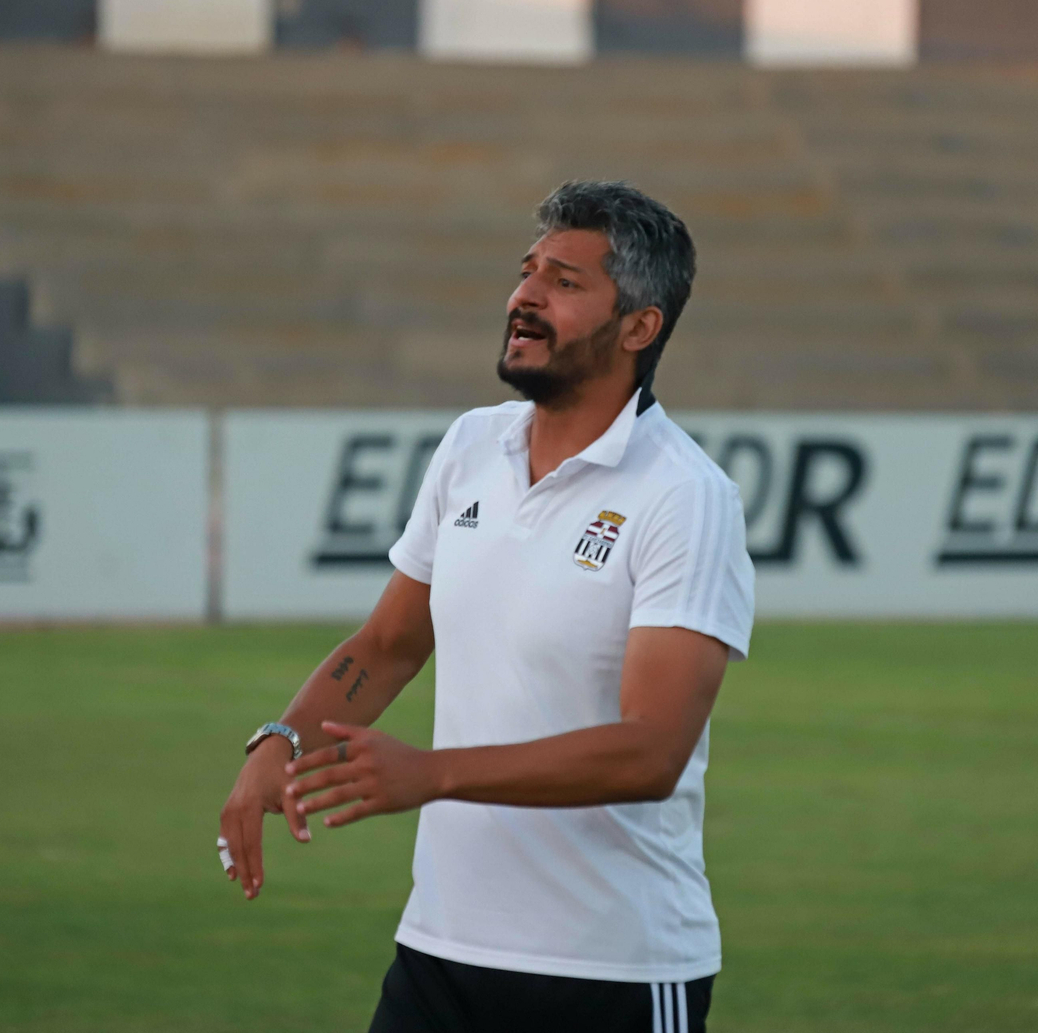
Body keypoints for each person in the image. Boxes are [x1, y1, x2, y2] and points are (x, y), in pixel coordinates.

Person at [217, 180, 755, 1033]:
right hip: (440, 956)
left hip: (611, 972)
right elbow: (391, 643)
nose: (526, 297)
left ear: (640, 327)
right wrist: (280, 741)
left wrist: (433, 776)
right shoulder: (473, 444)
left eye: (566, 283)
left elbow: (651, 753)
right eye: (528, 271)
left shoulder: (685, 497)